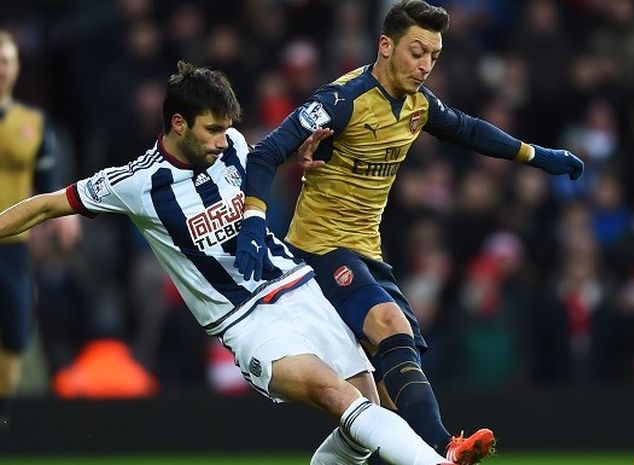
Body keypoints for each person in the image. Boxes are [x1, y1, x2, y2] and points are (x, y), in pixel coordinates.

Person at [0, 60, 462, 465]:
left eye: (226, 128)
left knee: (367, 415)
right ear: (178, 123)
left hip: (300, 289)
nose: (224, 140)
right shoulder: (137, 183)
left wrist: (298, 157)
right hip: (246, 321)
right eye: (212, 130)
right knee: (334, 395)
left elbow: (262, 159)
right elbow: (45, 205)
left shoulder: (235, 144)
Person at [235, 1, 584, 463]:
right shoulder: (341, 101)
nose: (424, 66)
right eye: (417, 51)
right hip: (318, 250)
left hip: (367, 253)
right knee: (389, 324)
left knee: (387, 397)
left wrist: (537, 155)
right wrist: (255, 221)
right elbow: (264, 154)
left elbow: (468, 130)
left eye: (433, 57)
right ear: (386, 45)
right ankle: (447, 447)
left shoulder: (419, 105)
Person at [0, 30, 81, 427]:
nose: (1, 69)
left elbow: (47, 180)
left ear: (16, 69)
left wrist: (62, 222)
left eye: (6, 60)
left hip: (13, 245)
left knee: (15, 333)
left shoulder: (32, 123)